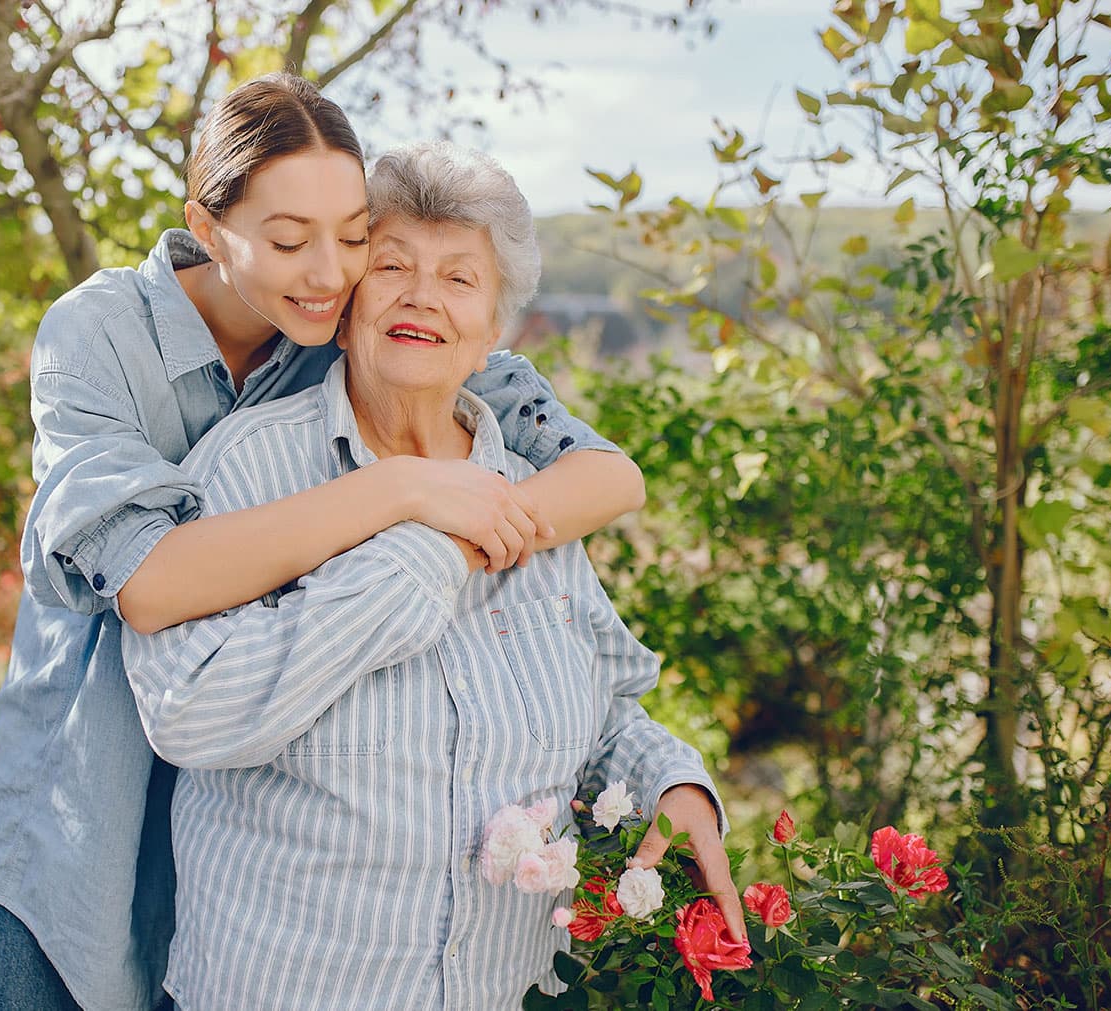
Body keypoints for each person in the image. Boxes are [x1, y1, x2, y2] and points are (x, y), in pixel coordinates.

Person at [0, 75, 650, 1011]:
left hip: (261, 800)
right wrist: (408, 492)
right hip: (99, 774)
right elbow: (152, 585)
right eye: (289, 241)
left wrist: (477, 531)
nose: (330, 271)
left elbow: (606, 475)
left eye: (355, 235)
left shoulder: (356, 323)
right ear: (207, 231)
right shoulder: (100, 333)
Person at [122, 141, 738, 1011]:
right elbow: (186, 711)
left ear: (493, 329)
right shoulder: (246, 469)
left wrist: (673, 779)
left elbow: (599, 706)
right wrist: (423, 547)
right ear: (343, 301)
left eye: (460, 278)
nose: (422, 296)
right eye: (392, 265)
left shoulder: (533, 499)